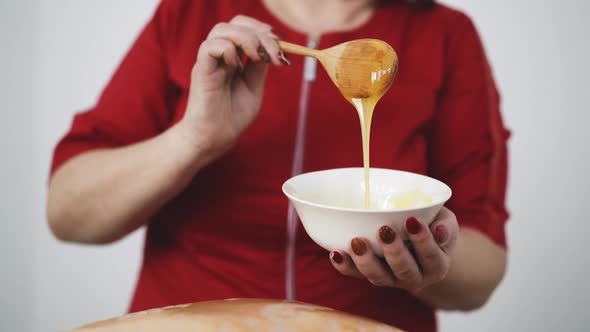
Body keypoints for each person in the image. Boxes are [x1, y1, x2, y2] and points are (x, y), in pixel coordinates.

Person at [47, 0, 510, 331]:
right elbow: (69, 214)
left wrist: (425, 259)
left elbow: (483, 269)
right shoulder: (190, 13)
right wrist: (195, 138)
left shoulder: (446, 34)